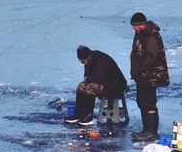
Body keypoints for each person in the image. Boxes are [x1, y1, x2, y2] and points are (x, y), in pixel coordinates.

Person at [129, 12, 170, 142]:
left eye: (134, 25)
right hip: (142, 75)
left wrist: (140, 68)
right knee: (142, 101)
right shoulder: (141, 34)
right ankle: (146, 129)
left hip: (150, 75)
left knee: (148, 102)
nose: (133, 28)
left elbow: (152, 56)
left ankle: (151, 132)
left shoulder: (150, 35)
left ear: (141, 24)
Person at [65, 45, 127, 126]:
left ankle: (88, 117)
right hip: (103, 82)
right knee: (81, 86)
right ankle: (78, 114)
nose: (84, 63)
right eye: (82, 62)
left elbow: (98, 77)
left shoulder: (101, 60)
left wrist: (87, 80)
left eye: (84, 61)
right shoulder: (89, 60)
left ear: (88, 57)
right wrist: (86, 80)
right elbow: (88, 76)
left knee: (90, 88)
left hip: (114, 85)